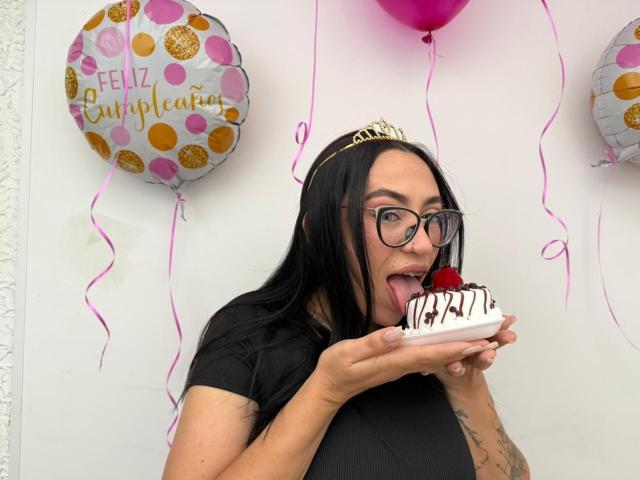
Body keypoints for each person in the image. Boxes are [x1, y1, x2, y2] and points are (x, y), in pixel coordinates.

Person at [162, 119, 530, 480]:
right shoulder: (250, 335)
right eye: (389, 214)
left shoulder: (433, 345)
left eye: (433, 218)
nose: (423, 244)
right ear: (318, 232)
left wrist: (466, 383)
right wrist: (328, 390)